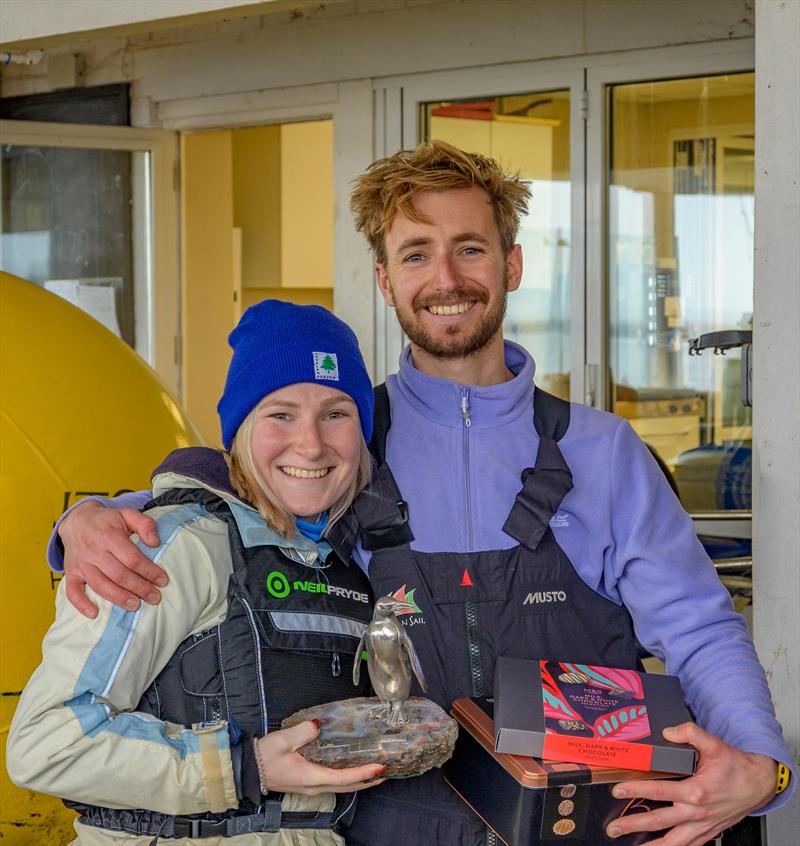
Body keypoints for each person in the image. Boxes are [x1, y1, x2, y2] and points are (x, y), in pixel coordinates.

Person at [47, 142, 794, 846]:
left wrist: (761, 765)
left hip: (578, 821)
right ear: (385, 279)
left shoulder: (601, 453)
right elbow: (230, 495)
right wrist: (89, 520)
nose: (447, 277)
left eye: (470, 247)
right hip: (387, 828)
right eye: (416, 253)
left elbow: (699, 630)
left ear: (512, 263)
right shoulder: (342, 442)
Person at [8, 300, 389, 845]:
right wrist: (242, 767)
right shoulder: (174, 544)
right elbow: (45, 745)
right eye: (280, 413)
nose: (311, 443)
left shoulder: (346, 562)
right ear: (239, 428)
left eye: (336, 413)